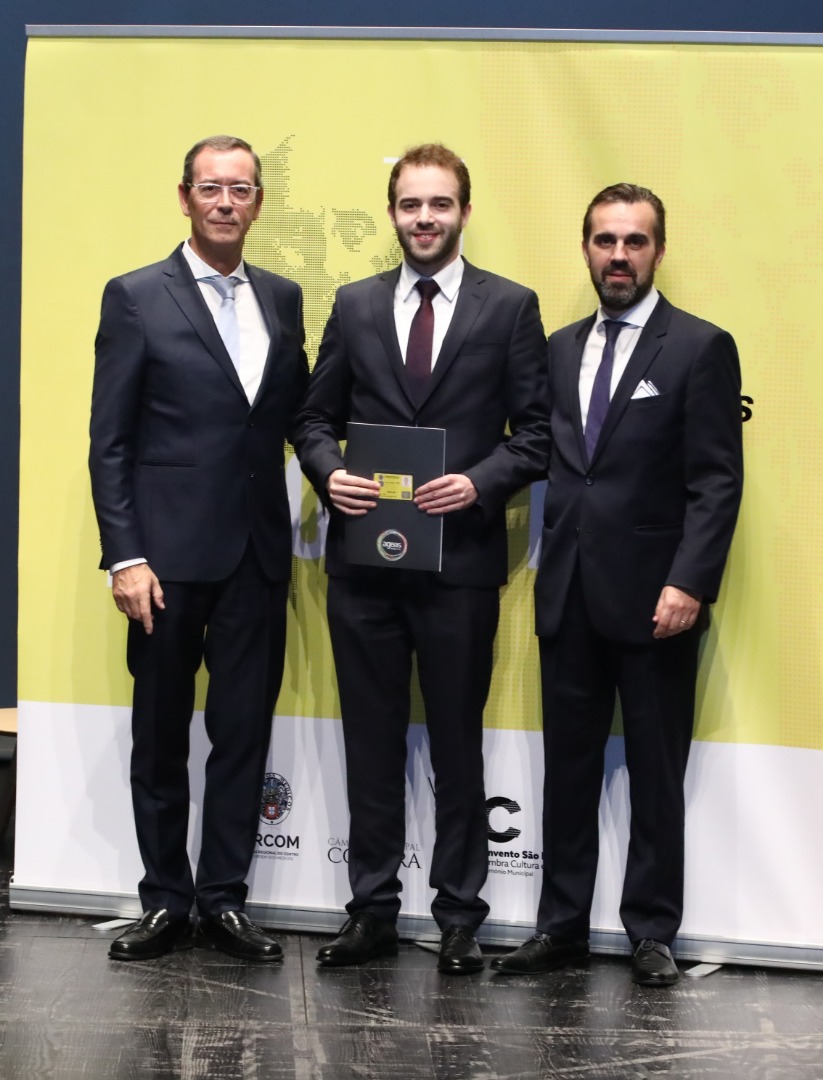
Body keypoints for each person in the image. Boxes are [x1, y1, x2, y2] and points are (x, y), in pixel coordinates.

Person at [292, 144, 550, 974]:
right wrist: (329, 472)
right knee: (369, 744)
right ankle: (370, 909)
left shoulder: (510, 307)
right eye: (411, 204)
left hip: (459, 567)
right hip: (363, 569)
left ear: (464, 212)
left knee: (455, 746)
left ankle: (459, 916)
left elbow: (537, 436)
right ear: (393, 213)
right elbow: (313, 419)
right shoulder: (355, 304)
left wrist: (478, 484)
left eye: (440, 204)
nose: (425, 218)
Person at [491, 184, 743, 987]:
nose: (619, 256)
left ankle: (652, 932)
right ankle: (560, 927)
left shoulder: (700, 347)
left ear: (658, 250)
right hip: (567, 593)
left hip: (656, 600)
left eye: (635, 241)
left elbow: (716, 480)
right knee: (567, 772)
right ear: (586, 249)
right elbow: (543, 452)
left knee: (655, 772)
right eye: (605, 241)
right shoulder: (560, 347)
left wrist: (689, 582)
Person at [88, 135, 309, 964]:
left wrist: (345, 469)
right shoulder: (136, 296)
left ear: (258, 203)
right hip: (165, 563)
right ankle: (164, 900)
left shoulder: (283, 298)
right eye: (211, 187)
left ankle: (223, 900)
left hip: (257, 556)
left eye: (240, 189)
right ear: (185, 197)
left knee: (243, 735)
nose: (225, 202)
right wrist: (125, 556)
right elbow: (110, 441)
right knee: (160, 736)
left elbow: (294, 418)